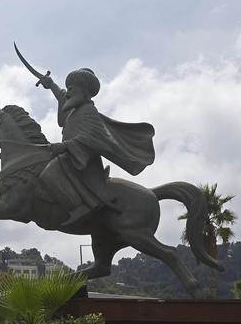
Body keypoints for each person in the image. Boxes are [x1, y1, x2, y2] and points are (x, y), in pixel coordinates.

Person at [38, 68, 155, 226]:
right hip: (72, 158)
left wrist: (65, 146)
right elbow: (61, 94)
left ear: (84, 93)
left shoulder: (89, 112)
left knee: (50, 173)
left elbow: (93, 140)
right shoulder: (74, 109)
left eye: (72, 88)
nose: (68, 92)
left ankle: (79, 207)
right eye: (68, 88)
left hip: (85, 163)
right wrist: (51, 84)